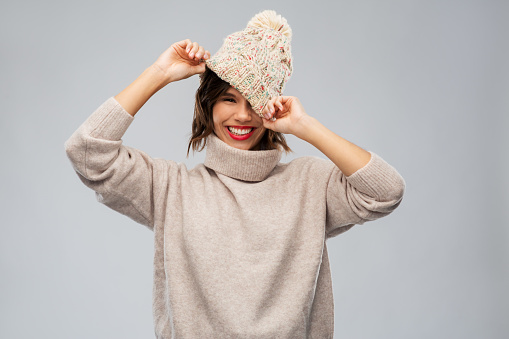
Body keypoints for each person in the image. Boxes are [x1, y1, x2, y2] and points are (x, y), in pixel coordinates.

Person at [64, 10, 405, 339]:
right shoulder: (170, 188)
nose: (242, 115)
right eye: (228, 99)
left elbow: (386, 191)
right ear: (208, 105)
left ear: (272, 107)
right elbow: (87, 151)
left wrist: (306, 126)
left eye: (255, 100)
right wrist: (160, 73)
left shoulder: (310, 184)